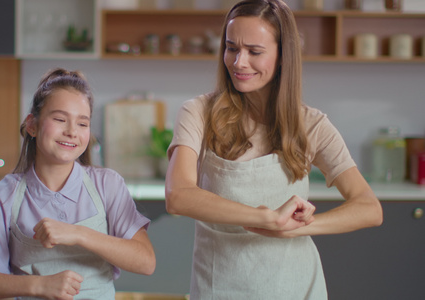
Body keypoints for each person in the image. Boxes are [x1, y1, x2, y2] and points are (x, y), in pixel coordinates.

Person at [164, 0, 383, 299]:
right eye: (231, 48)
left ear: (283, 56)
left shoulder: (311, 124)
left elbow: (369, 208)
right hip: (219, 286)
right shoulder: (198, 113)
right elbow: (179, 196)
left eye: (254, 52)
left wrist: (300, 227)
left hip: (295, 286)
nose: (239, 62)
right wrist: (266, 218)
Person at [0, 68, 155, 300]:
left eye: (82, 124)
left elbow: (146, 261)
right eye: (60, 119)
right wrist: (38, 286)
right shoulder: (6, 194)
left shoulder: (107, 185)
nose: (71, 132)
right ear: (32, 125)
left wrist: (79, 233)